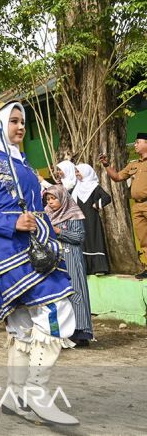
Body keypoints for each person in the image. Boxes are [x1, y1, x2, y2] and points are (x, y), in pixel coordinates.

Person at [0, 95, 78, 425]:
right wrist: (11, 222)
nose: (20, 127)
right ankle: (36, 392)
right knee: (56, 308)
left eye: (22, 122)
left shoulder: (25, 164)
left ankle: (16, 397)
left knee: (23, 325)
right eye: (13, 121)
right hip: (6, 253)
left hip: (34, 247)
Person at [44, 185, 93, 346]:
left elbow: (79, 237)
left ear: (63, 198)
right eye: (48, 199)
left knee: (75, 292)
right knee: (58, 296)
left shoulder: (73, 213)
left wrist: (58, 231)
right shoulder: (47, 215)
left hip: (71, 257)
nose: (50, 202)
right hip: (54, 259)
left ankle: (80, 332)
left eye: (53, 198)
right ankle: (62, 332)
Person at [100, 138, 147, 279]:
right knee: (143, 239)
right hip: (137, 206)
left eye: (138, 142)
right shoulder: (133, 165)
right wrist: (107, 165)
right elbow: (118, 177)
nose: (136, 144)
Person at [71, 163, 111, 275]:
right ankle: (86, 268)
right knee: (83, 240)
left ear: (86, 172)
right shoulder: (76, 188)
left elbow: (107, 197)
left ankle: (99, 268)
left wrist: (97, 204)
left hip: (92, 218)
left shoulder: (94, 186)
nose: (76, 174)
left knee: (94, 239)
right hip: (79, 219)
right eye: (75, 172)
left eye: (78, 171)